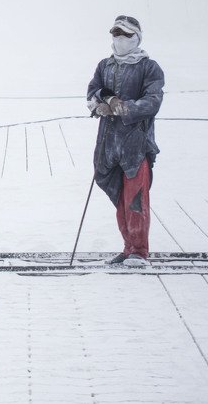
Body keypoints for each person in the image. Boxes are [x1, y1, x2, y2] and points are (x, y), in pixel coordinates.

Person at [86, 15, 165, 267]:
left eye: (125, 34)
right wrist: (103, 104)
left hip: (135, 145)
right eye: (115, 34)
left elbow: (152, 102)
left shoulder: (149, 67)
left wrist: (123, 108)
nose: (119, 39)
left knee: (135, 198)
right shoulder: (104, 66)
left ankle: (139, 251)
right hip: (108, 145)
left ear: (137, 38)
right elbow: (92, 92)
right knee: (119, 198)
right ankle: (128, 247)